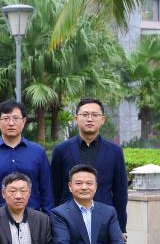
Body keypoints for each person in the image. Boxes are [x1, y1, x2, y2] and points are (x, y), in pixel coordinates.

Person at [51, 98, 129, 231]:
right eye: (85, 115)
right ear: (76, 118)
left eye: (94, 115)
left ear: (102, 119)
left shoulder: (115, 151)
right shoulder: (61, 150)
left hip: (104, 222)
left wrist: (121, 228)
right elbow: (54, 189)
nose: (90, 119)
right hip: (69, 222)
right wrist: (54, 223)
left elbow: (120, 192)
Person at [0, 100, 54, 213]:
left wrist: (48, 217)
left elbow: (47, 189)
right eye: (6, 118)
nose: (11, 123)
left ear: (24, 121)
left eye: (16, 118)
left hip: (32, 215)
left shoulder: (38, 152)